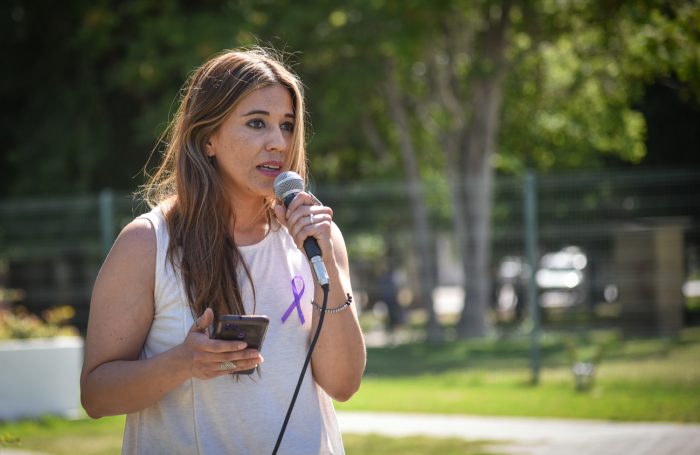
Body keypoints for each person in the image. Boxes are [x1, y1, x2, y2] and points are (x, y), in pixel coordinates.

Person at [80, 48, 366, 454]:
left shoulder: (317, 238)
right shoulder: (147, 243)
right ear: (207, 138)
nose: (278, 143)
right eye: (256, 124)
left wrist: (325, 267)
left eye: (286, 126)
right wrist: (182, 363)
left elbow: (344, 384)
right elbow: (96, 396)